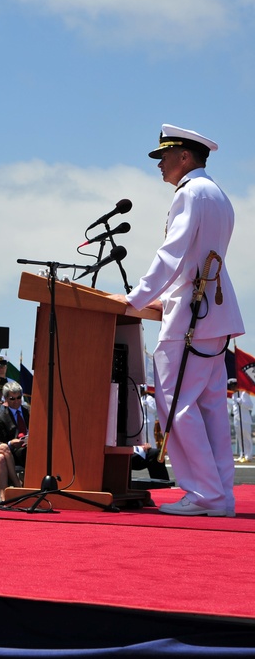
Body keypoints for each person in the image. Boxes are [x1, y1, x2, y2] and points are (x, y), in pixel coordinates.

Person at [111, 125, 244, 517]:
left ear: (185, 156)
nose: (160, 164)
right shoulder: (217, 194)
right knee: (210, 409)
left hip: (191, 313)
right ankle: (220, 496)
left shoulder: (191, 194)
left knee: (177, 406)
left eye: (165, 157)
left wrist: (136, 298)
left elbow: (173, 255)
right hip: (213, 312)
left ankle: (204, 495)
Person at [0, 380, 29, 467]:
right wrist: (11, 443)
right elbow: (0, 442)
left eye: (18, 397)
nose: (16, 401)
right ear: (5, 399)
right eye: (12, 399)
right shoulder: (1, 418)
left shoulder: (29, 411)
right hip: (15, 451)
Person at [229, 378, 252, 463]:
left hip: (244, 420)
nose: (233, 388)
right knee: (240, 438)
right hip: (237, 420)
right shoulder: (234, 395)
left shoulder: (243, 394)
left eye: (234, 386)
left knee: (247, 438)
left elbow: (250, 405)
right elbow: (235, 407)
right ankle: (242, 454)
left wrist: (242, 402)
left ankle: (248, 456)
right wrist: (228, 404)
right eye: (231, 387)